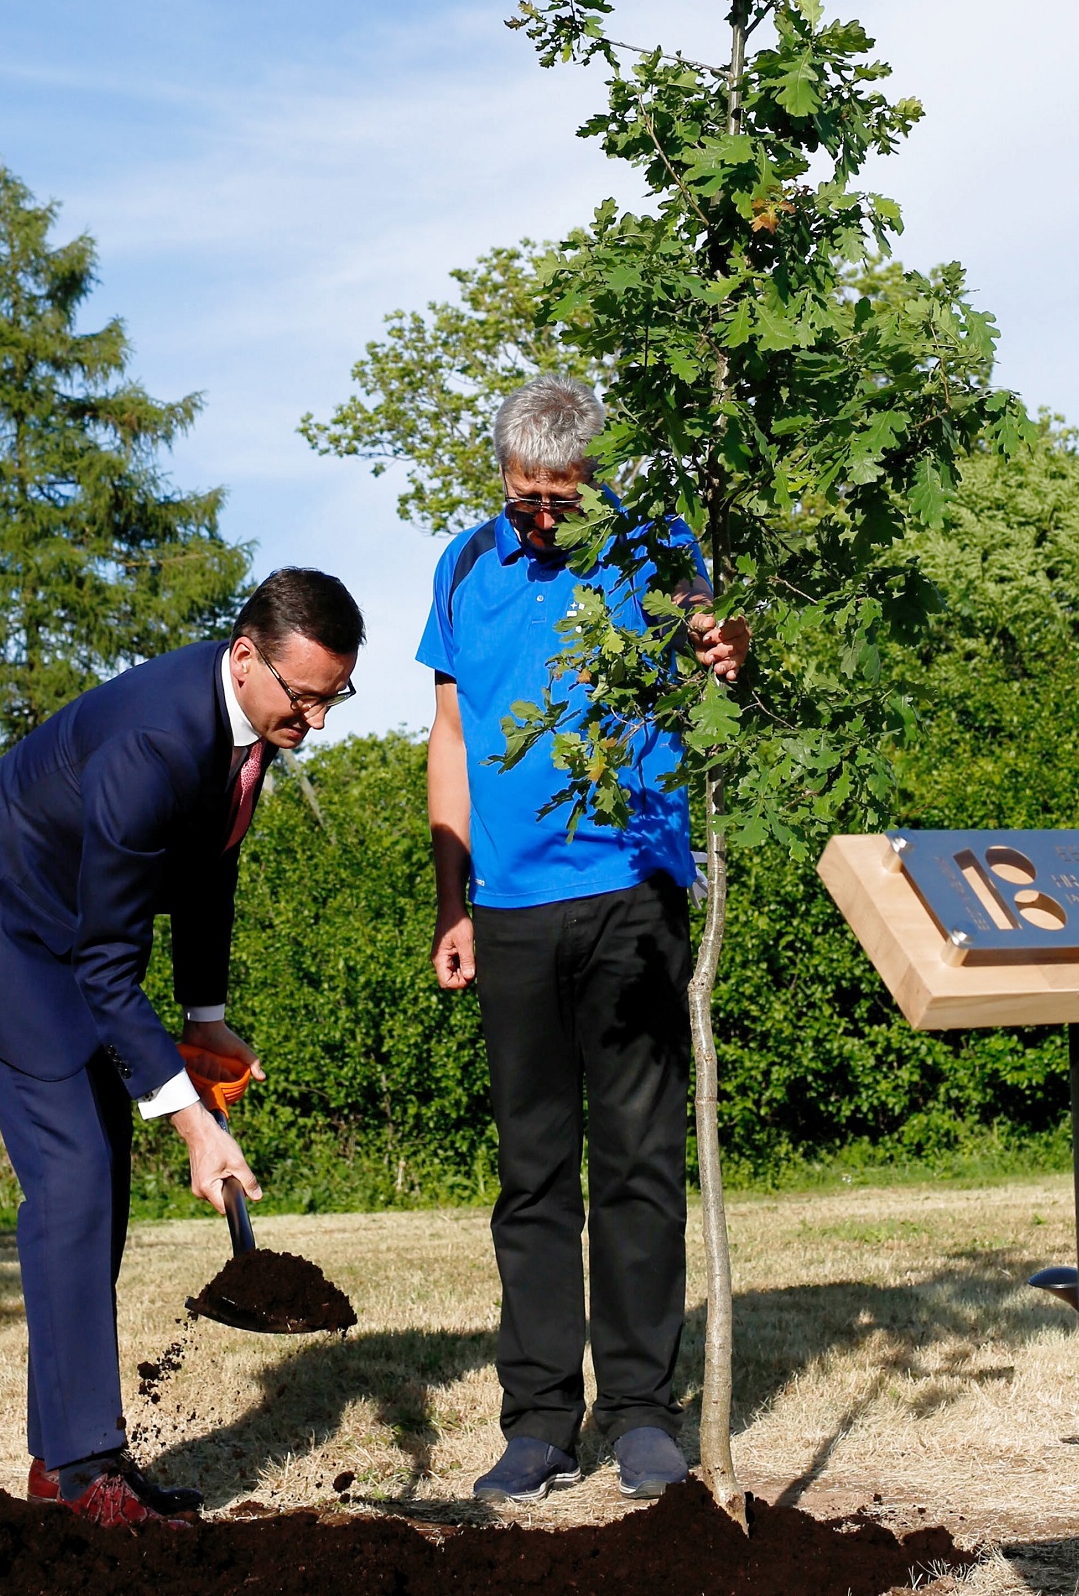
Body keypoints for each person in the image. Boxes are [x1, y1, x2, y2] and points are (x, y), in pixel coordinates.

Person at [0, 567, 364, 1527]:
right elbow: (107, 968)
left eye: (332, 696)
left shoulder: (248, 732)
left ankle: (61, 1465)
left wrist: (207, 1012)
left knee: (90, 1176)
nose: (313, 719)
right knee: (73, 1173)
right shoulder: (155, 740)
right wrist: (192, 1121)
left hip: (65, 932)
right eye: (301, 696)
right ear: (243, 656)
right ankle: (85, 1466)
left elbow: (208, 874)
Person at [418, 375, 750, 1504]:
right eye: (525, 500)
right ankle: (538, 1420)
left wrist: (722, 656)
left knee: (642, 1163)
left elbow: (712, 647)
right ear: (502, 480)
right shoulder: (464, 566)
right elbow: (452, 735)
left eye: (561, 500)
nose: (542, 520)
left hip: (632, 891)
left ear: (595, 479)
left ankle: (645, 1413)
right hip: (506, 910)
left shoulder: (657, 547)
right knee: (531, 1173)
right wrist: (449, 899)